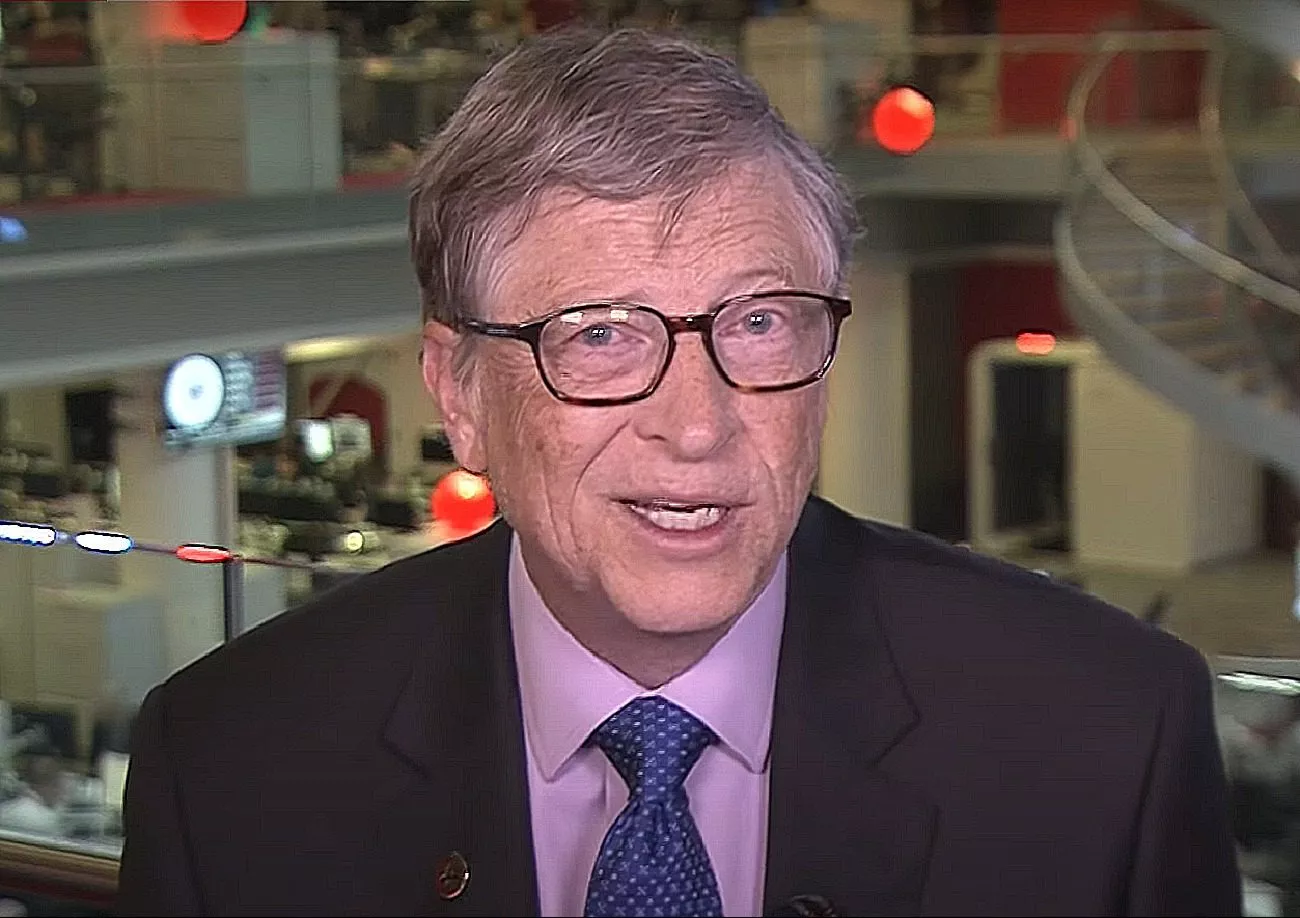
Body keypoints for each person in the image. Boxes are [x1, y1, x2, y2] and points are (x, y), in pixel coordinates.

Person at [115, 27, 1241, 917]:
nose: (697, 427)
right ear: (459, 394)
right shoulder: (231, 762)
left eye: (758, 323)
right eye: (600, 336)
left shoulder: (1104, 738)